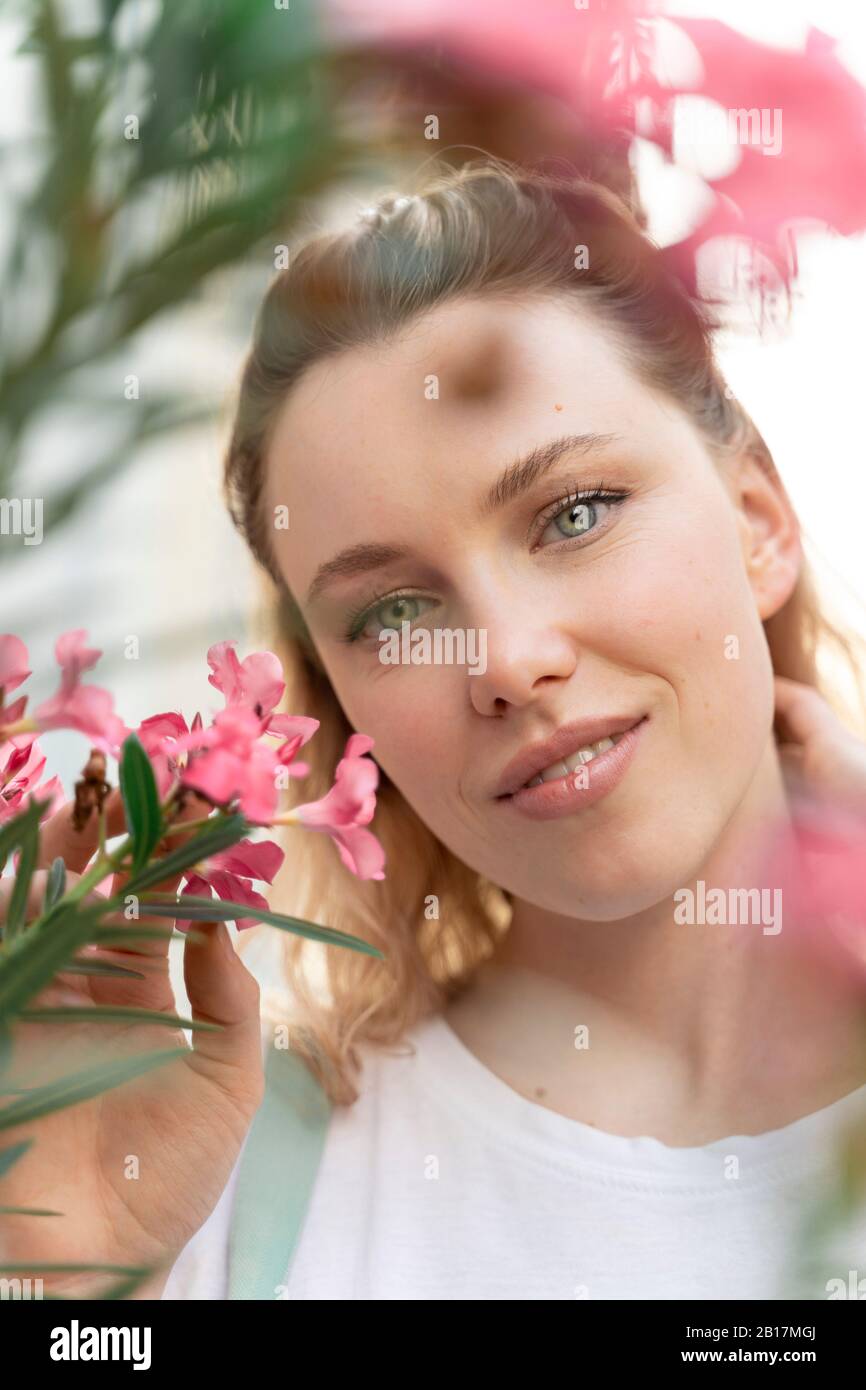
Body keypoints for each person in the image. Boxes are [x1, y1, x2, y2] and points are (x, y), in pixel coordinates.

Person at [3, 158, 866, 1301]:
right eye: (393, 613)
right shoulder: (223, 1187)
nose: (508, 660)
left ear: (757, 520)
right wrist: (88, 1291)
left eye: (573, 513)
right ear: (337, 705)